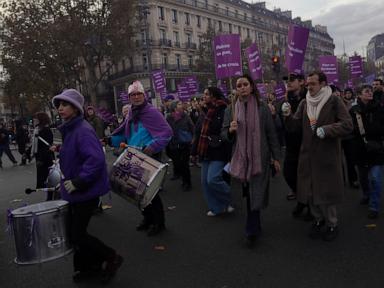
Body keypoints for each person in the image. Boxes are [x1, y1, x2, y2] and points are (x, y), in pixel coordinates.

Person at [52, 89, 123, 283]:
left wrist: (79, 181)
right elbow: (77, 153)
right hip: (75, 189)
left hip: (85, 189)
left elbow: (95, 159)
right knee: (75, 233)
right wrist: (61, 149)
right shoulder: (71, 129)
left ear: (76, 108)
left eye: (65, 105)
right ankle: (88, 267)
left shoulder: (82, 129)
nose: (60, 108)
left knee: (77, 234)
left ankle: (111, 257)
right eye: (59, 105)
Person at [282, 71, 353, 241]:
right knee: (311, 192)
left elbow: (348, 124)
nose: (309, 87)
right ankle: (318, 220)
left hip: (326, 155)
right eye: (307, 84)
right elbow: (294, 126)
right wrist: (287, 116)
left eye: (313, 84)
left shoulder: (333, 100)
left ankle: (332, 224)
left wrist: (328, 130)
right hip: (308, 155)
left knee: (326, 193)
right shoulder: (305, 102)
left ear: (323, 84)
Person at [222, 75, 281, 248]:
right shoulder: (230, 109)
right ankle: (254, 223)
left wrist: (276, 157)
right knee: (246, 194)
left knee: (255, 192)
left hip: (259, 158)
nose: (242, 87)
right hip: (240, 158)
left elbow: (271, 134)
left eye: (245, 84)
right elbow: (224, 135)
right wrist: (231, 131)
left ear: (252, 87)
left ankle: (251, 229)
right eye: (239, 85)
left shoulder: (263, 108)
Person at [112, 81, 172, 236]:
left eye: (139, 94)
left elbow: (166, 132)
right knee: (136, 192)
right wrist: (110, 140)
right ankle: (147, 218)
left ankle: (159, 223)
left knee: (150, 193)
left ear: (144, 96)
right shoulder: (132, 112)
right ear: (129, 97)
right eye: (133, 95)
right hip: (134, 156)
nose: (136, 97)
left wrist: (152, 146)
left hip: (148, 157)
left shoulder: (152, 112)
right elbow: (124, 131)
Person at [191, 87, 234, 216]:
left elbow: (225, 132)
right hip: (205, 151)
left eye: (206, 94)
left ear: (214, 96)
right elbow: (198, 133)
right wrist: (193, 152)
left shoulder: (224, 110)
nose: (203, 97)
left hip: (219, 151)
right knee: (205, 182)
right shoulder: (205, 111)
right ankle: (216, 208)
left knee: (213, 179)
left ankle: (228, 199)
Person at [350, 85, 384, 219]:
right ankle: (366, 194)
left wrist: (374, 130)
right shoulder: (353, 111)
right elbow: (350, 129)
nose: (370, 93)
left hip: (376, 148)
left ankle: (374, 206)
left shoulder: (379, 109)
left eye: (371, 90)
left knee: (375, 178)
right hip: (361, 149)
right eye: (366, 91)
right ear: (359, 95)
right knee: (363, 178)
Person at [281, 73, 312, 220]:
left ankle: (311, 207)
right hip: (291, 144)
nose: (288, 83)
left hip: (305, 144)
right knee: (288, 174)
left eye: (292, 80)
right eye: (287, 80)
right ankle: (302, 200)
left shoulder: (308, 99)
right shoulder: (286, 99)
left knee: (307, 177)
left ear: (301, 82)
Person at [166, 100, 194, 191]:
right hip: (174, 144)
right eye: (179, 104)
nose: (181, 105)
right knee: (178, 163)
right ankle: (182, 177)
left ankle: (187, 183)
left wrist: (193, 139)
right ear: (174, 107)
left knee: (185, 164)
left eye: (181, 104)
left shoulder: (185, 116)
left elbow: (192, 127)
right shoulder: (169, 117)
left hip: (185, 144)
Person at [31, 112, 55, 200]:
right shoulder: (37, 130)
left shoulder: (46, 130)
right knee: (44, 179)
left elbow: (47, 146)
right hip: (40, 158)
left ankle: (50, 197)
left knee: (49, 179)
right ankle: (50, 196)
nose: (34, 120)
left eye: (36, 118)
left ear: (41, 119)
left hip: (46, 158)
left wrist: (41, 158)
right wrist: (27, 153)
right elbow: (35, 144)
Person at [341, 88, 359, 188]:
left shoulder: (355, 103)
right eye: (346, 93)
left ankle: (353, 179)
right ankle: (341, 180)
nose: (348, 95)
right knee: (339, 161)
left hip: (350, 135)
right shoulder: (338, 103)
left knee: (350, 160)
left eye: (349, 93)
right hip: (339, 136)